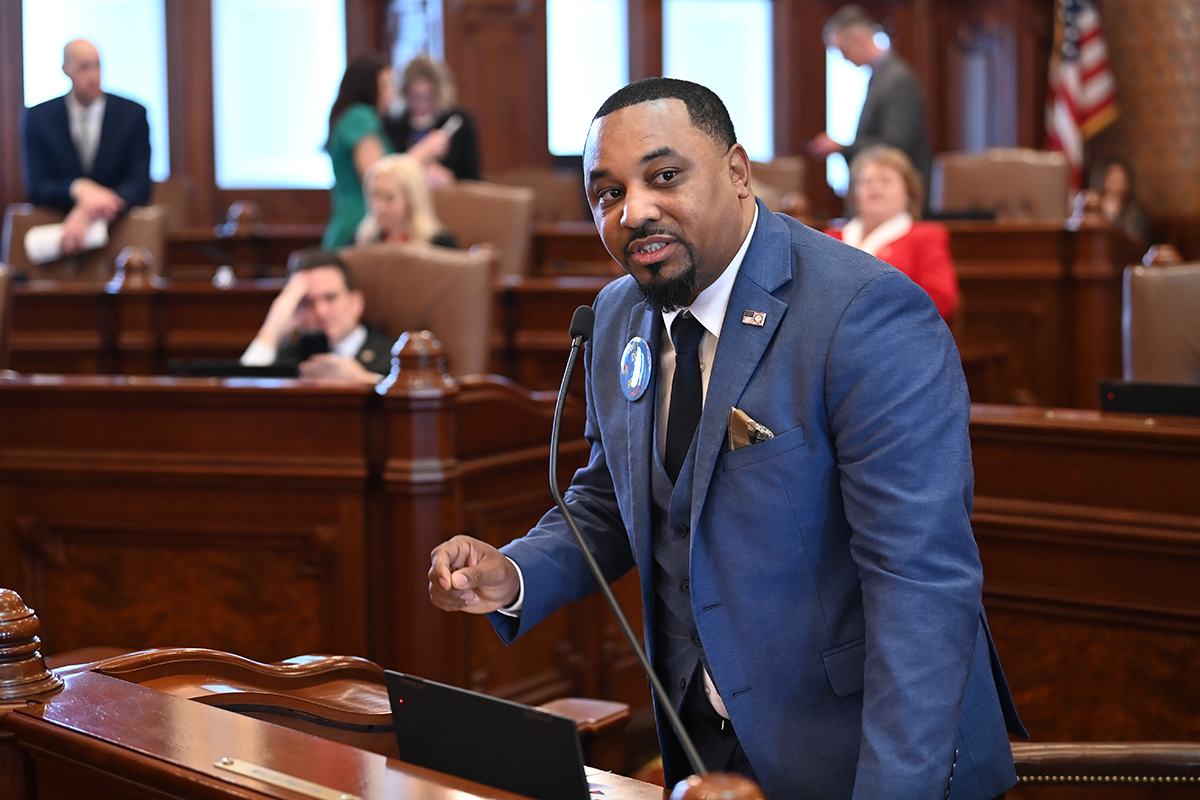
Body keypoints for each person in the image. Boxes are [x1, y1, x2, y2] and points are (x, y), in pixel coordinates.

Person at [428, 77, 1024, 799]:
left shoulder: (866, 312)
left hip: (864, 753)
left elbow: (920, 586)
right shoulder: (618, 315)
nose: (634, 210)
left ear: (738, 173)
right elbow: (614, 499)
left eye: (664, 176)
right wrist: (515, 574)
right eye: (607, 194)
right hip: (704, 748)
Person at [21, 39, 151, 255]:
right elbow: (37, 186)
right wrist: (78, 188)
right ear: (66, 69)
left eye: (97, 65)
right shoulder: (38, 117)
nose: (93, 74)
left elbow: (139, 185)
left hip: (121, 232)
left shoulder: (132, 114)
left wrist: (89, 209)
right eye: (84, 66)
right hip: (59, 231)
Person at [808, 5, 932, 199]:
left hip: (897, 195)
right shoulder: (881, 76)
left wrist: (841, 147)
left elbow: (895, 144)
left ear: (858, 40)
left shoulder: (896, 79)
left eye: (842, 51)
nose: (844, 59)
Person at [825, 146, 959, 320]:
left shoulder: (925, 237)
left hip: (896, 338)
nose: (875, 187)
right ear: (854, 194)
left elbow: (940, 299)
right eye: (866, 181)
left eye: (886, 180)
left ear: (908, 193)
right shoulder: (830, 237)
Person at [241, 250, 392, 383]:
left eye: (330, 298)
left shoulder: (393, 355)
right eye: (307, 303)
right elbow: (241, 392)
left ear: (356, 302)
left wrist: (364, 380)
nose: (321, 311)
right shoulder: (292, 357)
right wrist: (273, 326)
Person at [323, 52, 395, 249]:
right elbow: (377, 177)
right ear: (369, 87)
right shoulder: (359, 117)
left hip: (349, 217)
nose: (392, 94)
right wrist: (424, 153)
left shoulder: (350, 116)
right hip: (361, 222)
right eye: (386, 85)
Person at [383, 54, 481, 187]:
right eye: (415, 96)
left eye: (427, 96)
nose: (421, 104)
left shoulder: (458, 122)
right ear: (405, 94)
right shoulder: (393, 126)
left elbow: (473, 178)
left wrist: (450, 179)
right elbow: (389, 175)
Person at [354, 153, 456, 247]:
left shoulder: (439, 243)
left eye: (389, 198)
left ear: (411, 198)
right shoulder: (364, 240)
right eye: (374, 196)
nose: (379, 206)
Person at [1086, 156, 1149, 242]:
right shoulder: (1093, 206)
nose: (1116, 183)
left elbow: (1137, 240)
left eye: (1120, 179)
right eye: (1112, 179)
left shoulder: (1135, 210)